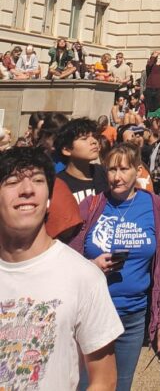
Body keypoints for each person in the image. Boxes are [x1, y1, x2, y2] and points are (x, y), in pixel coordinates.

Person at [0, 145, 123, 389]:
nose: (27, 190)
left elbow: (104, 379)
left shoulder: (83, 277)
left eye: (37, 180)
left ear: (48, 199)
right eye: (13, 181)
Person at [71, 142, 160, 390]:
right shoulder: (92, 205)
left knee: (122, 384)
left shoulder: (155, 206)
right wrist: (90, 265)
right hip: (93, 313)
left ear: (138, 170)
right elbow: (66, 256)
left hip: (133, 316)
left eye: (124, 169)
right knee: (88, 384)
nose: (116, 177)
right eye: (111, 170)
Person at [55, 119, 108, 203]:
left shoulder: (105, 173)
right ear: (67, 150)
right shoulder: (57, 184)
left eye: (94, 136)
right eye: (84, 138)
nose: (94, 141)